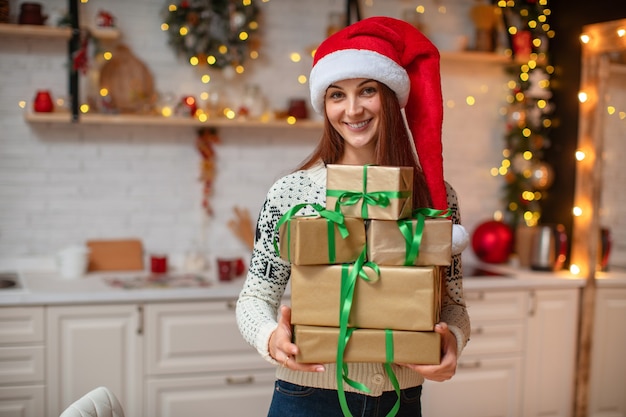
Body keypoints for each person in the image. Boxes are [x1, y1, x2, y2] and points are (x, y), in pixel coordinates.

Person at [236, 16, 470, 417]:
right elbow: (255, 296)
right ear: (324, 105)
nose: (353, 109)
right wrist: (271, 336)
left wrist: (453, 344)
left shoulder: (434, 196)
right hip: (310, 397)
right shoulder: (293, 193)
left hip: (400, 400)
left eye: (367, 91)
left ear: (391, 98)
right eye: (336, 95)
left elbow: (453, 305)